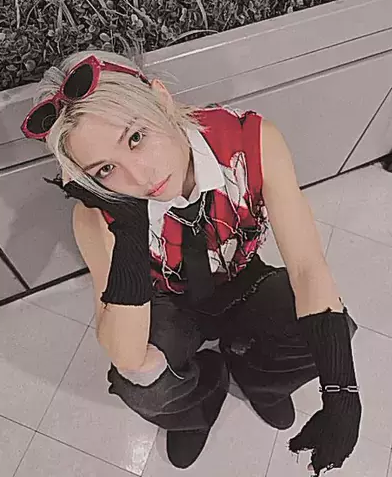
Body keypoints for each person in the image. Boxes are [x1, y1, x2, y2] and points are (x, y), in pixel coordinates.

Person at [21, 50, 362, 475]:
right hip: (166, 298)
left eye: (136, 137)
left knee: (331, 333)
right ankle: (198, 402)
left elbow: (308, 266)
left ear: (161, 99)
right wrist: (128, 228)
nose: (140, 177)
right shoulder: (96, 214)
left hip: (243, 277)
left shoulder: (249, 141)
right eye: (106, 169)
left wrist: (342, 392)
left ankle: (259, 378)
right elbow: (125, 354)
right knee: (138, 382)